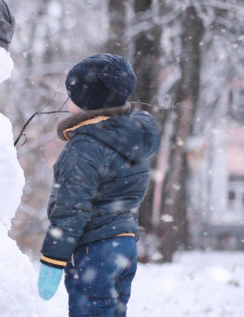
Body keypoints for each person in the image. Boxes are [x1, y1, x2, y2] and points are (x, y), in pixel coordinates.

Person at [36, 54, 161, 317]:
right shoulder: (130, 140)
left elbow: (72, 207)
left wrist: (52, 260)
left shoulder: (85, 146)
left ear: (87, 102)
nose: (67, 100)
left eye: (72, 94)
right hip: (125, 244)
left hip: (95, 249)